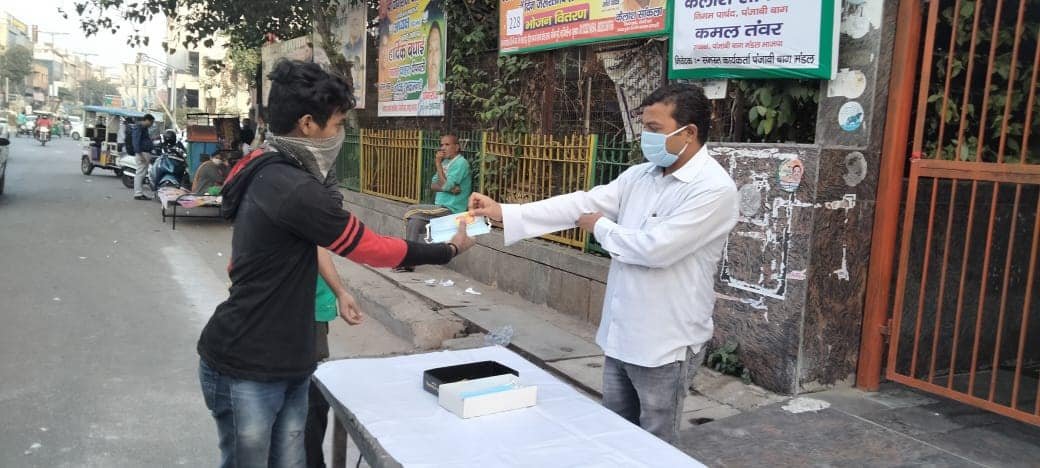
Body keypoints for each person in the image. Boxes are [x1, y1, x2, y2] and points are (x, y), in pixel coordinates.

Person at [196, 59, 475, 468]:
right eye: (339, 123)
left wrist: (340, 291)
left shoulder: (265, 165)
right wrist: (447, 250)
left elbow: (290, 250)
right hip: (247, 367)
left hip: (291, 358)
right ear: (308, 124)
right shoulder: (289, 186)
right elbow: (371, 248)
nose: (340, 134)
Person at [468, 83, 739, 445]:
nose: (647, 137)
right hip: (621, 332)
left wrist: (601, 227)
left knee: (656, 439)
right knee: (616, 431)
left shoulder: (713, 189)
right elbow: (582, 203)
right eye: (644, 127)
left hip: (666, 339)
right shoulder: (640, 177)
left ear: (688, 133)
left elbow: (655, 249)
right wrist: (505, 212)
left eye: (655, 129)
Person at [305, 248, 361, 468]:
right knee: (307, 398)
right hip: (298, 308)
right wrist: (448, 249)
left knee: (309, 397)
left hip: (307, 305)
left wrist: (340, 292)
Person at [395, 134, 471, 273]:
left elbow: (445, 185)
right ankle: (409, 261)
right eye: (442, 145)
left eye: (447, 145)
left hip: (451, 209)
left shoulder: (461, 163)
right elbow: (433, 185)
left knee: (411, 210)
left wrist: (439, 168)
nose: (443, 148)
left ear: (457, 147)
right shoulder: (446, 163)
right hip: (438, 208)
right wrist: (449, 187)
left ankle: (411, 253)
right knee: (414, 222)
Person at [129, 114, 156, 200]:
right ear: (146, 120)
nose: (151, 124)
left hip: (145, 153)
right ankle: (138, 193)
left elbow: (144, 140)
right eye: (151, 122)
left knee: (142, 173)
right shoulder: (138, 127)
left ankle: (139, 193)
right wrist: (140, 154)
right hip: (142, 153)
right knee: (140, 173)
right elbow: (135, 141)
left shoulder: (144, 128)